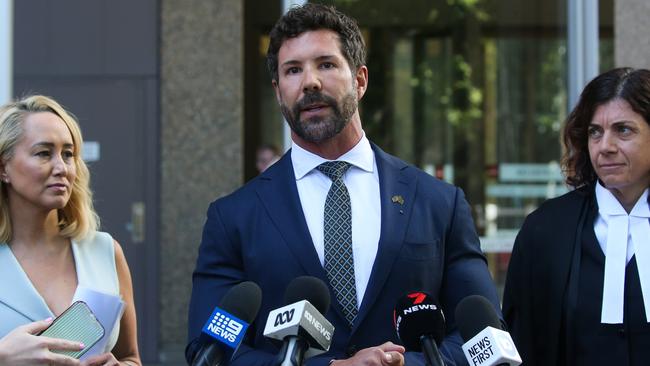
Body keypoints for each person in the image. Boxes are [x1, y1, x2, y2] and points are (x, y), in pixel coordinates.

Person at [187, 4, 500, 366]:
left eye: (326, 64)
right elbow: (209, 349)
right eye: (293, 70)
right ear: (278, 91)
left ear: (360, 80)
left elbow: (485, 336)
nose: (310, 82)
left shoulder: (438, 203)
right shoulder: (233, 218)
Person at [503, 67, 650, 365]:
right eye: (595, 132)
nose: (605, 146)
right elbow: (522, 342)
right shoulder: (544, 230)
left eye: (623, 130)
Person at [0, 95, 141, 366]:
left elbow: (130, 357)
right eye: (43, 153)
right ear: (3, 168)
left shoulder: (105, 251)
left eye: (68, 154)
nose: (62, 168)